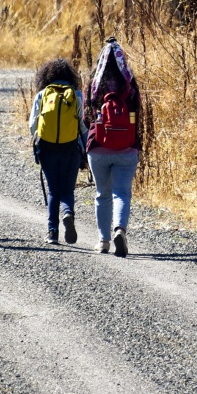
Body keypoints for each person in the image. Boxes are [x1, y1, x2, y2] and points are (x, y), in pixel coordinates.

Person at [85, 37, 141, 256]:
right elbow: (138, 115)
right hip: (127, 147)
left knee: (102, 195)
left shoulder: (94, 84)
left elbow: (86, 118)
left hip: (99, 147)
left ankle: (103, 241)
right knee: (122, 193)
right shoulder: (130, 84)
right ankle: (119, 229)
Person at [29, 57, 86, 245]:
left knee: (54, 191)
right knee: (67, 190)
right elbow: (83, 125)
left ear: (46, 76)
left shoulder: (42, 94)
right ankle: (68, 213)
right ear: (70, 76)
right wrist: (85, 149)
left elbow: (33, 125)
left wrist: (38, 143)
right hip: (71, 147)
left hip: (47, 148)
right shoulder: (76, 95)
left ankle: (52, 232)